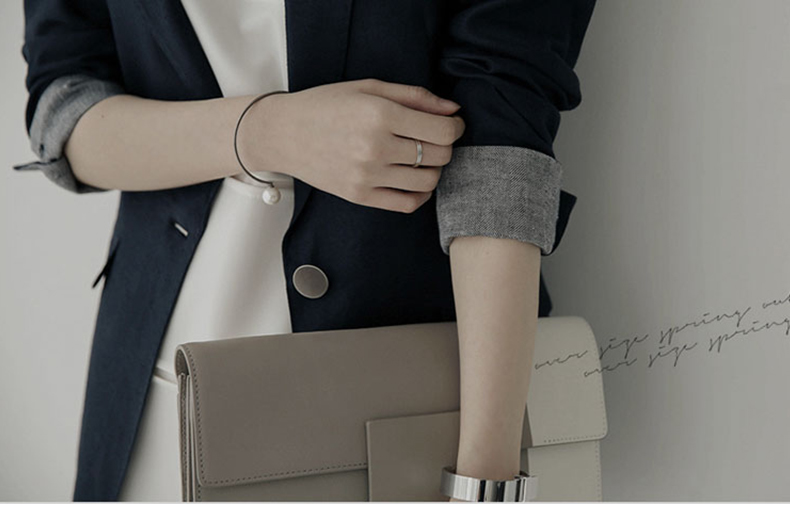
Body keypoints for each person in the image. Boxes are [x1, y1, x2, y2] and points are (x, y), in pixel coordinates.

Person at [15, 0, 597, 502]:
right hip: (158, 378)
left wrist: (486, 481)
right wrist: (265, 131)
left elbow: (505, 138)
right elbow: (63, 108)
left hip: (405, 405)